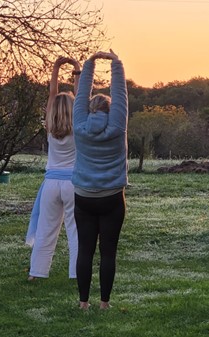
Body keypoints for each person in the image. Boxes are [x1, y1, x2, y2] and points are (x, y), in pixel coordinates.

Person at [72, 50, 128, 310]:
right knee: (108, 252)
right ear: (110, 110)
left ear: (88, 109)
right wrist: (116, 64)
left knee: (85, 250)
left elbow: (80, 96)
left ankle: (83, 303)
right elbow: (121, 98)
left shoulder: (79, 126)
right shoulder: (117, 127)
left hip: (84, 196)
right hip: (111, 198)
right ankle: (104, 304)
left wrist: (89, 63)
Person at [26, 56, 81, 281]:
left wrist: (56, 68)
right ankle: (77, 274)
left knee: (46, 230)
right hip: (74, 185)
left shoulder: (50, 126)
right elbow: (82, 98)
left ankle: (36, 273)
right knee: (76, 232)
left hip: (50, 185)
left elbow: (51, 94)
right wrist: (77, 69)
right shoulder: (78, 124)